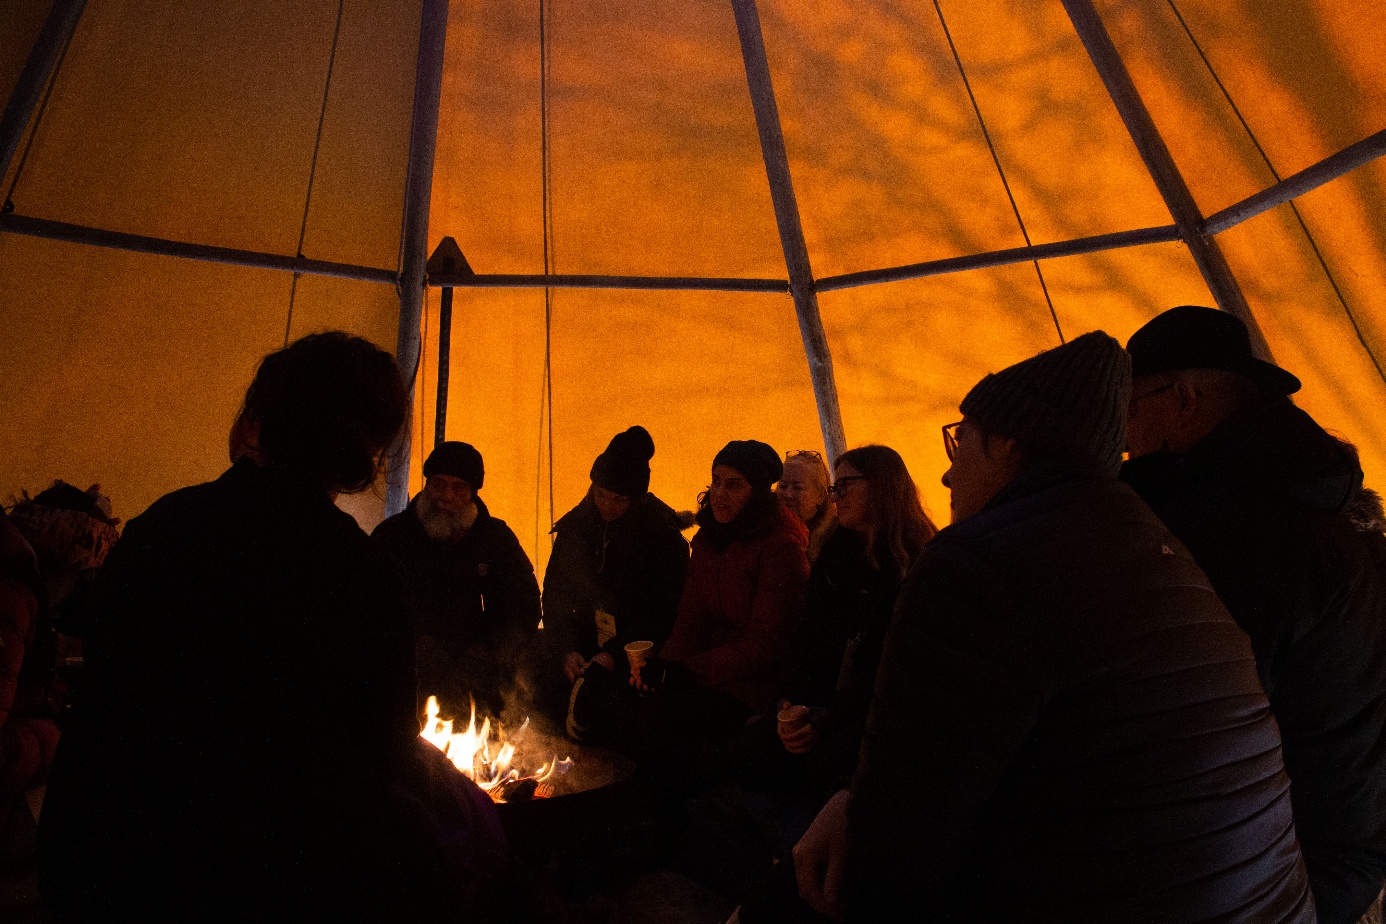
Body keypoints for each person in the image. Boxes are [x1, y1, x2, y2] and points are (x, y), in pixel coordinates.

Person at [795, 332, 1314, 922]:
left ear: (1008, 443)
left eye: (958, 441)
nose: (944, 476)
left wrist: (850, 823)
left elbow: (897, 848)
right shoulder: (1161, 548)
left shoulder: (975, 561)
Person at [37, 332, 458, 920]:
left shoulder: (164, 527)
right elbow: (385, 744)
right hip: (279, 876)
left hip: (114, 855)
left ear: (260, 420)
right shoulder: (363, 577)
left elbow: (105, 678)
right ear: (362, 455)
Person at [1121, 305, 1386, 924]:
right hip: (1346, 831)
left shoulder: (1235, 535)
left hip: (1283, 859)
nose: (1126, 439)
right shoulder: (1318, 506)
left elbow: (1189, 729)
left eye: (1132, 409)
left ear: (1183, 398)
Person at [732, 445, 936, 923]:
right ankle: (799, 853)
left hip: (868, 723)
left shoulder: (915, 566)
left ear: (882, 489)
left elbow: (891, 679)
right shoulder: (836, 555)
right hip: (818, 711)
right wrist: (791, 703)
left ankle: (814, 871)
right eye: (834, 487)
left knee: (822, 766)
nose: (836, 498)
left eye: (846, 486)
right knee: (750, 751)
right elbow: (805, 641)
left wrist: (825, 720)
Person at [372, 440, 541, 719]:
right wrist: (412, 644)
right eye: (438, 484)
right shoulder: (393, 537)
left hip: (477, 675)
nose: (447, 496)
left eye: (459, 487)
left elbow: (522, 605)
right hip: (404, 672)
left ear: (473, 492)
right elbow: (370, 603)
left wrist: (489, 650)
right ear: (426, 484)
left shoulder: (495, 539)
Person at [540, 426, 690, 741]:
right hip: (582, 645)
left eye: (619, 499)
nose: (608, 505)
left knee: (619, 708)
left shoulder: (662, 539)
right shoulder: (576, 529)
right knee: (539, 686)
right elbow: (555, 594)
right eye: (601, 494)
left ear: (636, 498)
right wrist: (566, 648)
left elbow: (664, 612)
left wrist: (613, 655)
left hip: (637, 653)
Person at [655, 440, 810, 717]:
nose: (719, 494)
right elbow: (691, 617)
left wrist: (692, 671)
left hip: (756, 686)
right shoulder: (708, 541)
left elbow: (766, 643)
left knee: (672, 721)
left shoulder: (781, 548)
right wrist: (666, 667)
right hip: (709, 672)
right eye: (716, 482)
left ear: (757, 493)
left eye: (734, 485)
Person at [776, 450, 837, 563]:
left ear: (820, 495)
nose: (788, 495)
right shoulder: (768, 532)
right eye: (783, 486)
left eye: (797, 487)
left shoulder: (834, 541)